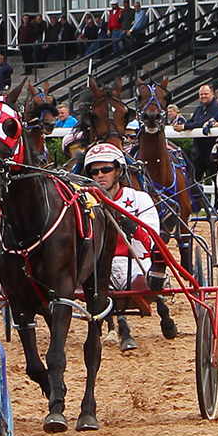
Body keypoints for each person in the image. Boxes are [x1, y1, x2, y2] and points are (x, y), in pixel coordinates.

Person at [80, 143, 159, 353]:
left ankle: (119, 323)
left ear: (119, 171)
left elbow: (153, 242)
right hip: (93, 266)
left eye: (106, 169)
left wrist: (133, 227)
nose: (100, 175)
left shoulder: (139, 199)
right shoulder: (83, 202)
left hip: (135, 263)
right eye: (94, 171)